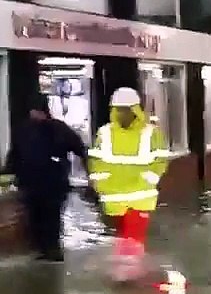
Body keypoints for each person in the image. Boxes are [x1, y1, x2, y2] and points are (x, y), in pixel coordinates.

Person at [87, 87, 170, 278]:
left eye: (127, 109)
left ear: (136, 109)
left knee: (133, 236)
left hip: (140, 195)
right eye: (119, 109)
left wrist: (153, 176)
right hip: (112, 197)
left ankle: (128, 274)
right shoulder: (104, 132)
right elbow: (95, 160)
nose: (123, 114)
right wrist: (98, 183)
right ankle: (127, 271)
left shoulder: (151, 133)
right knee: (122, 238)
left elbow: (161, 158)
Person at [1, 96, 91, 261]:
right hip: (39, 184)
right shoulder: (32, 129)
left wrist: (90, 175)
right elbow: (14, 156)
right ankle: (46, 250)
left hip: (48, 185)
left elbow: (80, 149)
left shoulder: (52, 129)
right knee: (40, 218)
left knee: (50, 218)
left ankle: (52, 250)